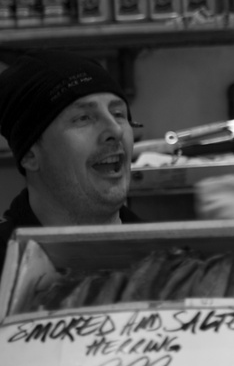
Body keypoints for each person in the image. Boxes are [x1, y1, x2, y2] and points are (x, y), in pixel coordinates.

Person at [0, 51, 141, 254]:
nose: (116, 130)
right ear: (30, 155)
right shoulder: (5, 269)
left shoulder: (172, 264)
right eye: (83, 118)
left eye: (118, 114)